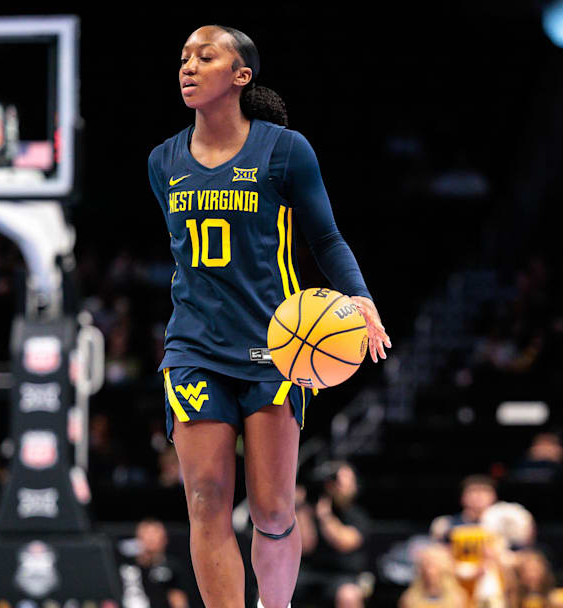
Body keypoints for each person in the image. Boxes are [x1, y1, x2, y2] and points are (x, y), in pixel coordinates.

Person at [147, 24, 390, 608]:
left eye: (205, 56)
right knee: (206, 500)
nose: (188, 65)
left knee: (274, 509)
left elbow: (326, 238)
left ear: (240, 75)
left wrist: (360, 297)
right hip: (194, 348)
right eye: (183, 57)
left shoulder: (285, 150)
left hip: (278, 345)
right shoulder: (163, 161)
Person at [297, 461, 372, 608]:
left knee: (348, 595)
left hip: (344, 575)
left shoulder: (357, 516)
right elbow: (305, 546)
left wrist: (325, 517)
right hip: (310, 572)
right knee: (273, 587)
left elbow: (345, 543)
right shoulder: (306, 509)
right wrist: (300, 508)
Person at [429, 475, 506, 608]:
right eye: (473, 491)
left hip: (493, 584)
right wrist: (467, 571)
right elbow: (438, 557)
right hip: (456, 583)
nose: (478, 496)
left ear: (493, 497)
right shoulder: (445, 525)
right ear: (462, 497)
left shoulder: (505, 526)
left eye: (483, 491)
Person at [398, 543, 467, 608]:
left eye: (434, 565)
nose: (430, 571)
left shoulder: (458, 598)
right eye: (426, 565)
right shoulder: (409, 599)